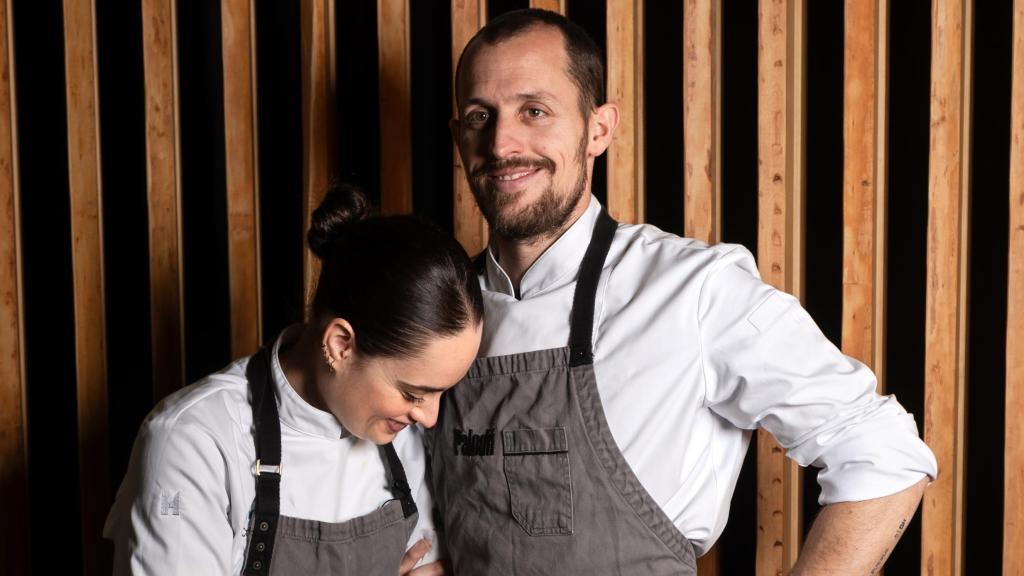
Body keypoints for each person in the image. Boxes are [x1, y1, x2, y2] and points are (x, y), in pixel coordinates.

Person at [430, 8, 937, 574]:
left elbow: (881, 450)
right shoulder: (437, 310)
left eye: (535, 111)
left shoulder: (693, 291)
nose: (502, 144)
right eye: (480, 116)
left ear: (598, 129)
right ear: (458, 136)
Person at [104, 184, 483, 575]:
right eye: (412, 393)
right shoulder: (194, 441)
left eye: (440, 392)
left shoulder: (402, 435)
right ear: (340, 345)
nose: (431, 417)